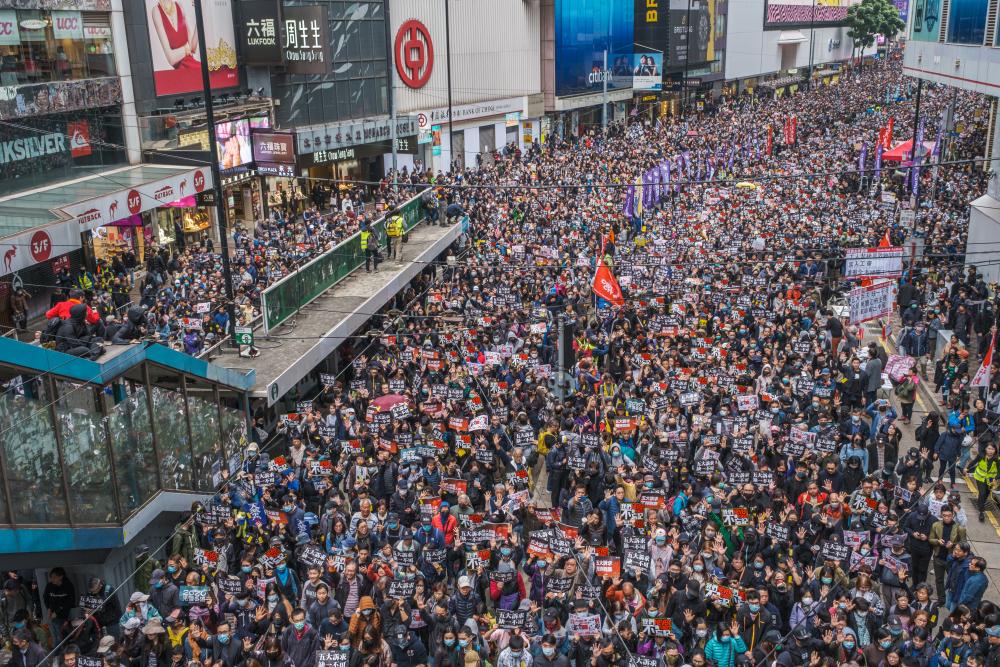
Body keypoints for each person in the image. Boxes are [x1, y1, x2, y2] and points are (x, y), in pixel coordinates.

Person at [967, 442, 999, 522]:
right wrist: (967, 468)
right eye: (989, 448)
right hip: (980, 478)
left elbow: (999, 470)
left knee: (986, 494)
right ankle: (981, 511)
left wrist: (996, 478)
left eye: (992, 449)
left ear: (995, 450)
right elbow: (974, 462)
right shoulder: (981, 456)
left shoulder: (997, 459)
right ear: (985, 449)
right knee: (982, 493)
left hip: (991, 480)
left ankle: (981, 502)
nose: (990, 451)